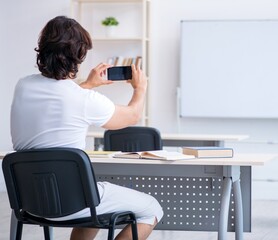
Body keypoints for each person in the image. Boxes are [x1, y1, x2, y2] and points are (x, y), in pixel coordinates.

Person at [10, 16, 163, 240]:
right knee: (151, 209)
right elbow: (131, 116)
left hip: (30, 202)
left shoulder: (23, 86)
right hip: (75, 201)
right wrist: (140, 88)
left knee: (93, 203)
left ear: (42, 49)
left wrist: (88, 85)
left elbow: (59, 99)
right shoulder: (82, 99)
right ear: (79, 55)